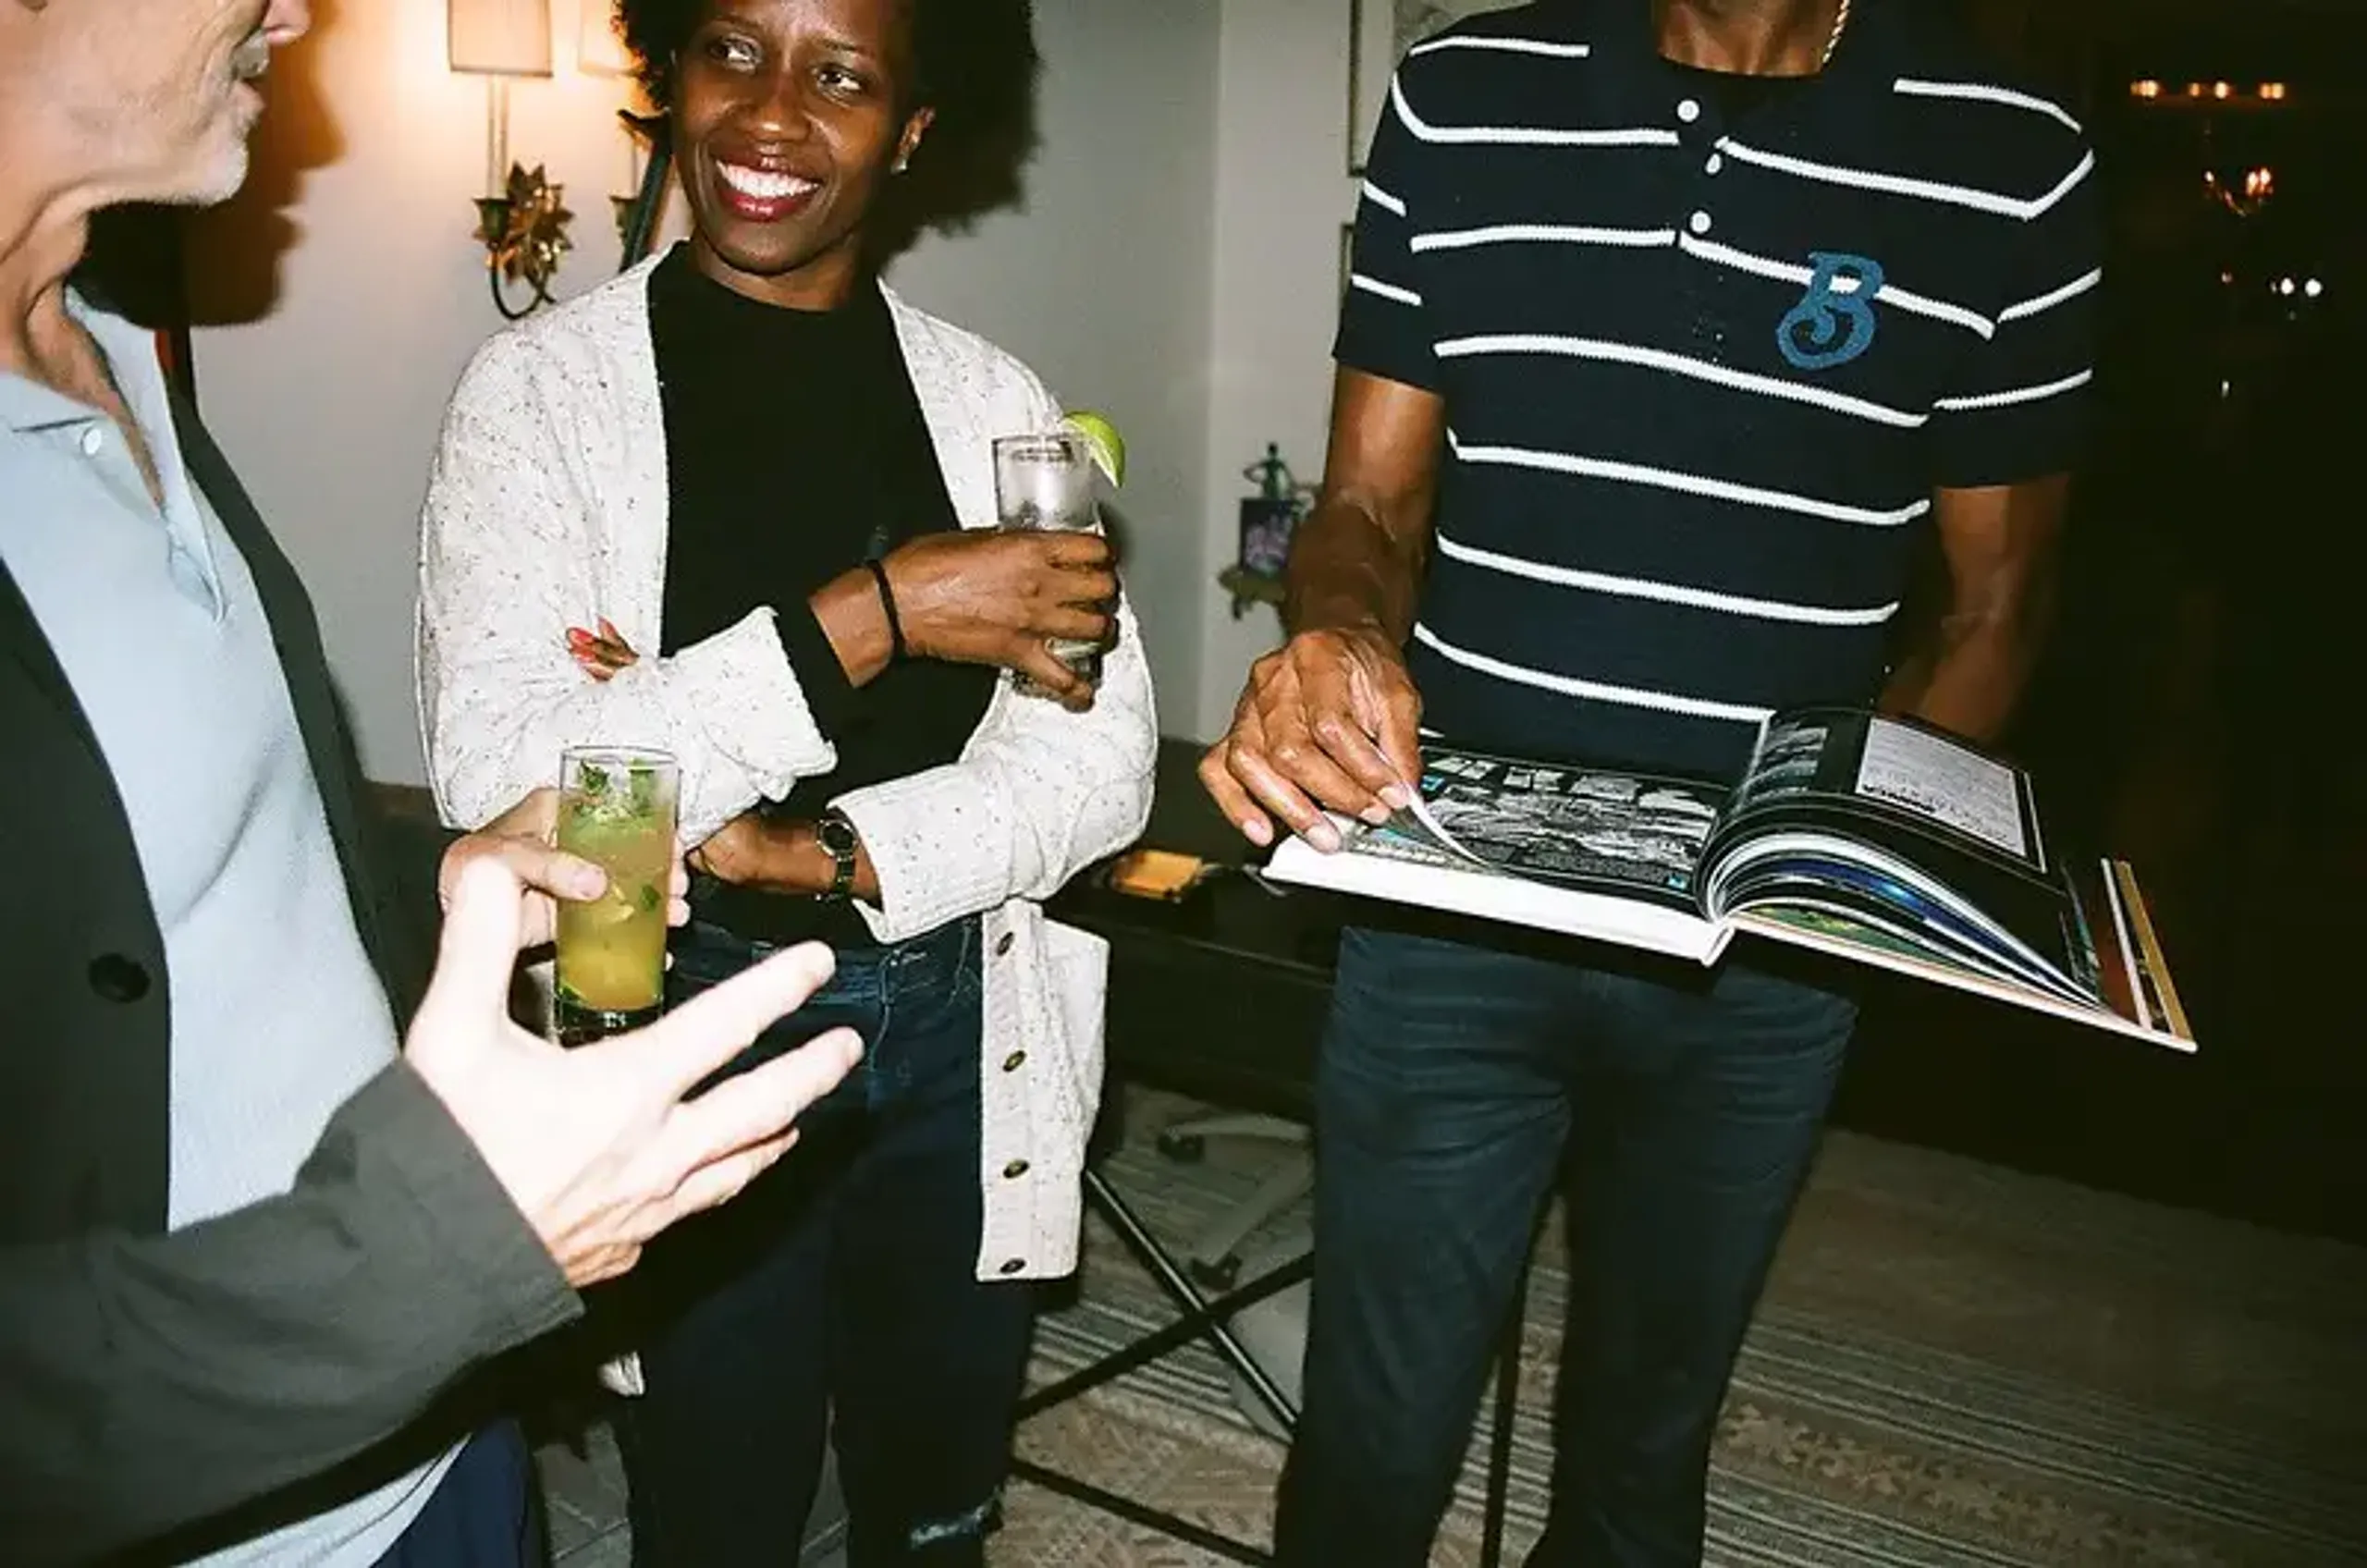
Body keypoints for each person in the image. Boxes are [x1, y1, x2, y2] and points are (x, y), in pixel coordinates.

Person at [1200, 1, 2100, 1562]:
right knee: (1372, 1433)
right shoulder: (1469, 93)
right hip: (1450, 887)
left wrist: (1843, 860)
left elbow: (1994, 610)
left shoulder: (2008, 154)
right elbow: (1360, 504)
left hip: (1760, 948)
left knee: (1645, 1436)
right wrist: (1337, 633)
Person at [0, 0, 865, 1562]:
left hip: (435, 1426)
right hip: (225, 1503)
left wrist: (439, 889)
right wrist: (439, 1248)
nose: (298, 7)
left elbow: (196, 875)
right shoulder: (541, 387)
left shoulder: (117, 358)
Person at [414, 0, 1157, 1559]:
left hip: (963, 1014)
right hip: (687, 1023)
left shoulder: (1000, 407)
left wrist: (821, 853)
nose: (770, 116)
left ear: (912, 128)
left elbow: (1099, 758)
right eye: (732, 51)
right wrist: (878, 619)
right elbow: (517, 780)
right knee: (721, 1511)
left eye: (841, 78)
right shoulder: (539, 400)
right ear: (670, 70)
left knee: (936, 1501)